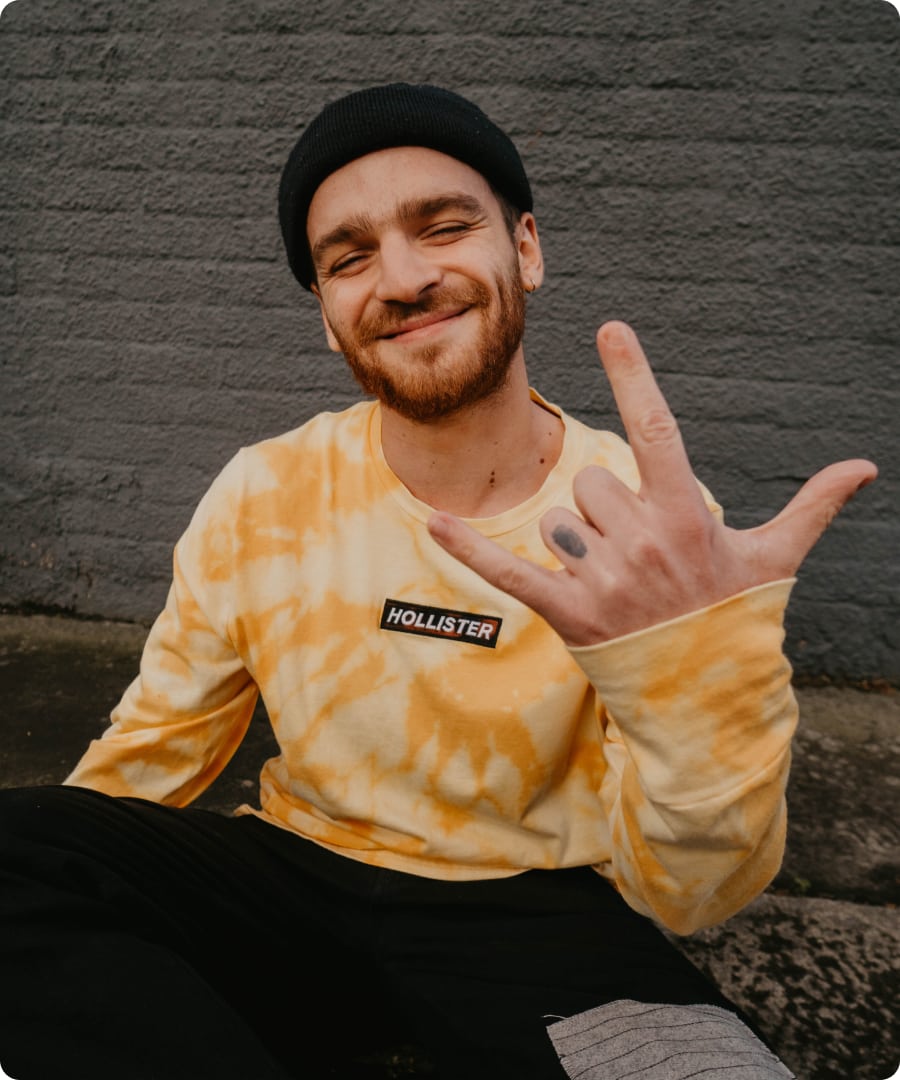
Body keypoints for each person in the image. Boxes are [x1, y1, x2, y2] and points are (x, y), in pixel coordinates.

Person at [0, 83, 876, 1080]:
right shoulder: (264, 491)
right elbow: (152, 748)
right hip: (297, 883)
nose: (404, 279)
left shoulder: (649, 527)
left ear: (527, 249)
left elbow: (691, 892)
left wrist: (696, 690)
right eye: (349, 258)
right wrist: (80, 881)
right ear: (327, 315)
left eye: (444, 227)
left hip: (533, 915)